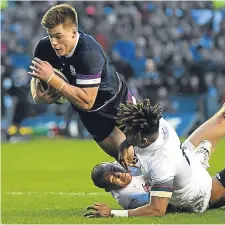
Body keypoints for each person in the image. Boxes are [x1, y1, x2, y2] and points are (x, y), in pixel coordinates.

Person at [28, 3, 135, 159]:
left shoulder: (89, 53)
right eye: (51, 36)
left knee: (144, 149)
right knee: (126, 161)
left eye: (58, 36)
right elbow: (37, 79)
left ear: (73, 32)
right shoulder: (44, 48)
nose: (54, 42)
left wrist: (52, 78)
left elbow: (87, 100)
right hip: (89, 113)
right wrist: (37, 96)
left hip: (115, 100)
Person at [84, 100, 225, 217]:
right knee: (221, 119)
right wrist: (125, 144)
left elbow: (157, 209)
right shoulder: (155, 123)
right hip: (197, 180)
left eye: (129, 134)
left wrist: (112, 213)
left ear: (143, 140)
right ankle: (197, 158)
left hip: (194, 175)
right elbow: (158, 209)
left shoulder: (160, 162)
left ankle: (197, 159)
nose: (125, 135)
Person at [88, 139, 212, 211]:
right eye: (113, 178)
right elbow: (166, 204)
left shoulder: (125, 159)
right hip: (188, 194)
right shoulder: (129, 198)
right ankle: (195, 160)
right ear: (109, 189)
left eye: (115, 169)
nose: (120, 174)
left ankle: (191, 157)